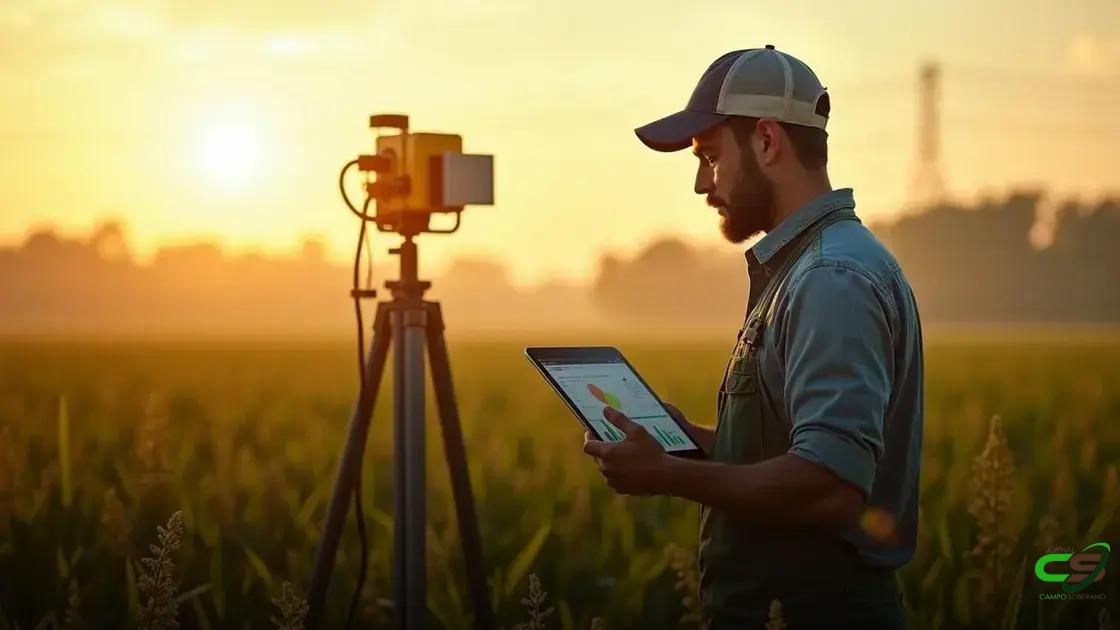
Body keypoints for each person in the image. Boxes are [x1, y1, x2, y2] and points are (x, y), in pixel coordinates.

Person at [581, 45, 924, 629]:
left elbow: (828, 486)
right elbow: (793, 454)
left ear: (766, 142)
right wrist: (694, 440)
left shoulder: (829, 279)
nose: (699, 183)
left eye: (709, 156)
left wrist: (669, 476)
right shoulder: (805, 269)